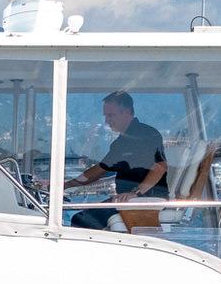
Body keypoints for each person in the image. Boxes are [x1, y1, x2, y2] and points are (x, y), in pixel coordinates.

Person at [69, 91, 167, 229]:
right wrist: (65, 185)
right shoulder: (122, 142)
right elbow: (100, 170)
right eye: (106, 116)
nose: (106, 120)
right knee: (81, 219)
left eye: (110, 115)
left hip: (143, 199)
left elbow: (160, 166)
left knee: (81, 221)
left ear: (126, 113)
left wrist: (136, 193)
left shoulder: (146, 134)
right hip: (128, 198)